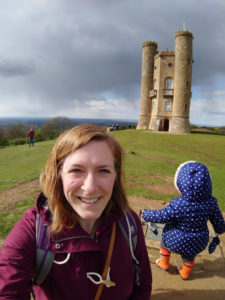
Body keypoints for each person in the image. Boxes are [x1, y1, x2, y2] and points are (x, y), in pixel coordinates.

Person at [0, 124, 152, 299]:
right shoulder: (33, 229)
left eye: (103, 170)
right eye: (76, 170)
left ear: (115, 175)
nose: (90, 188)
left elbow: (142, 286)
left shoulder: (129, 223)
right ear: (59, 174)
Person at [142, 161, 225, 280]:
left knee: (164, 245)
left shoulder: (178, 204)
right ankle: (185, 272)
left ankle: (164, 263)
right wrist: (220, 229)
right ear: (208, 184)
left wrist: (145, 214)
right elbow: (220, 225)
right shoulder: (212, 203)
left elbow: (162, 216)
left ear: (180, 185)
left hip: (173, 239)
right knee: (189, 256)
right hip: (197, 242)